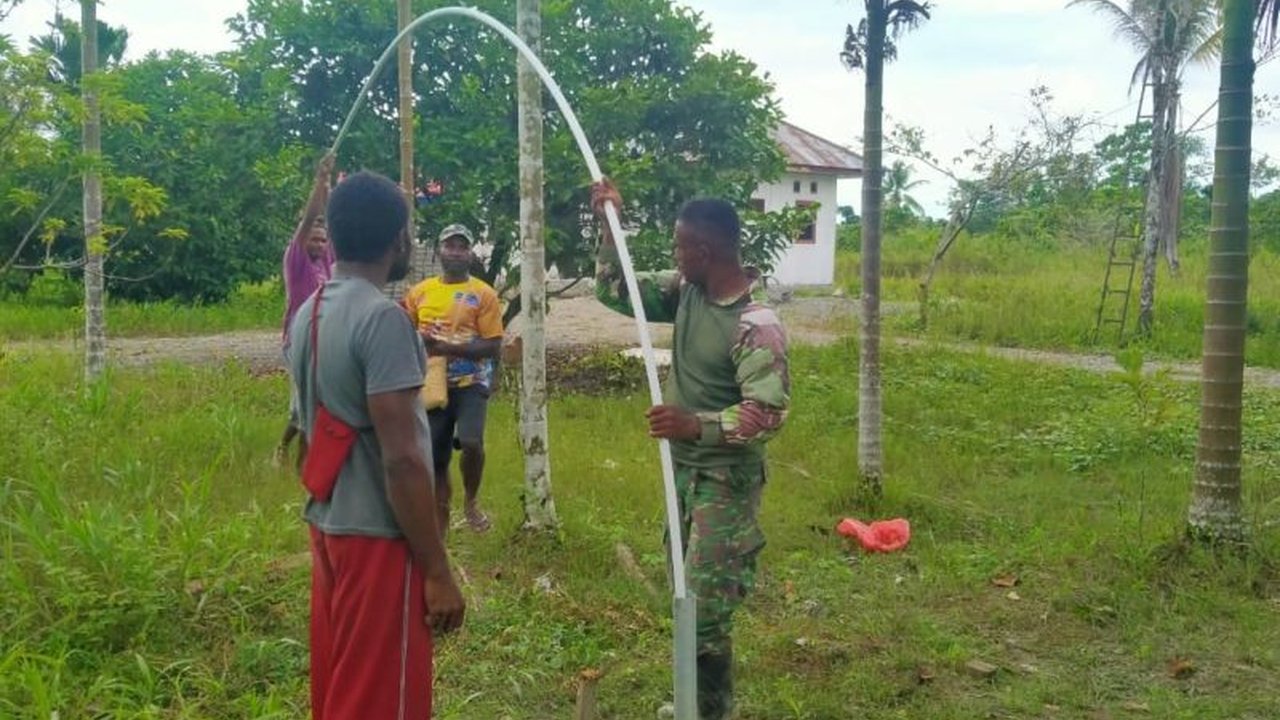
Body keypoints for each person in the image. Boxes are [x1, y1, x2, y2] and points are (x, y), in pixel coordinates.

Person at [590, 179, 790, 720]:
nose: (675, 257)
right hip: (683, 474)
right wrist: (610, 225)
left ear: (704, 251)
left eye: (680, 247)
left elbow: (767, 415)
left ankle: (710, 710)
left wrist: (692, 424)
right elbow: (614, 288)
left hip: (725, 483)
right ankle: (690, 703)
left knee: (705, 609)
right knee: (683, 591)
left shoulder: (756, 325)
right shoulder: (687, 292)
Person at [287, 171, 465, 720]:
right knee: (381, 696)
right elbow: (405, 458)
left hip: (330, 525)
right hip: (378, 538)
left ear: (335, 239)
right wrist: (437, 570)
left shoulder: (309, 311)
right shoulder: (383, 319)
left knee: (343, 681)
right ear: (400, 243)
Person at [402, 224, 504, 533]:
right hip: (433, 384)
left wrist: (447, 347)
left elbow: (493, 344)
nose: (456, 252)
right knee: (436, 456)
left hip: (471, 382)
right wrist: (421, 339)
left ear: (470, 253)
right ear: (438, 251)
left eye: (462, 246)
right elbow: (404, 336)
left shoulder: (483, 294)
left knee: (472, 442)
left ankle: (471, 502)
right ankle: (440, 519)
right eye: (450, 246)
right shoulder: (419, 293)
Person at [276, 154, 337, 467]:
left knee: (315, 404)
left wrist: (327, 187)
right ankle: (289, 453)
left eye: (323, 240)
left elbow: (325, 218)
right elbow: (310, 218)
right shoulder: (297, 261)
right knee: (304, 407)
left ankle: (303, 459)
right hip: (298, 342)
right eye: (313, 239)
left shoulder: (327, 260)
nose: (319, 244)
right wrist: (319, 181)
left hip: (324, 340)